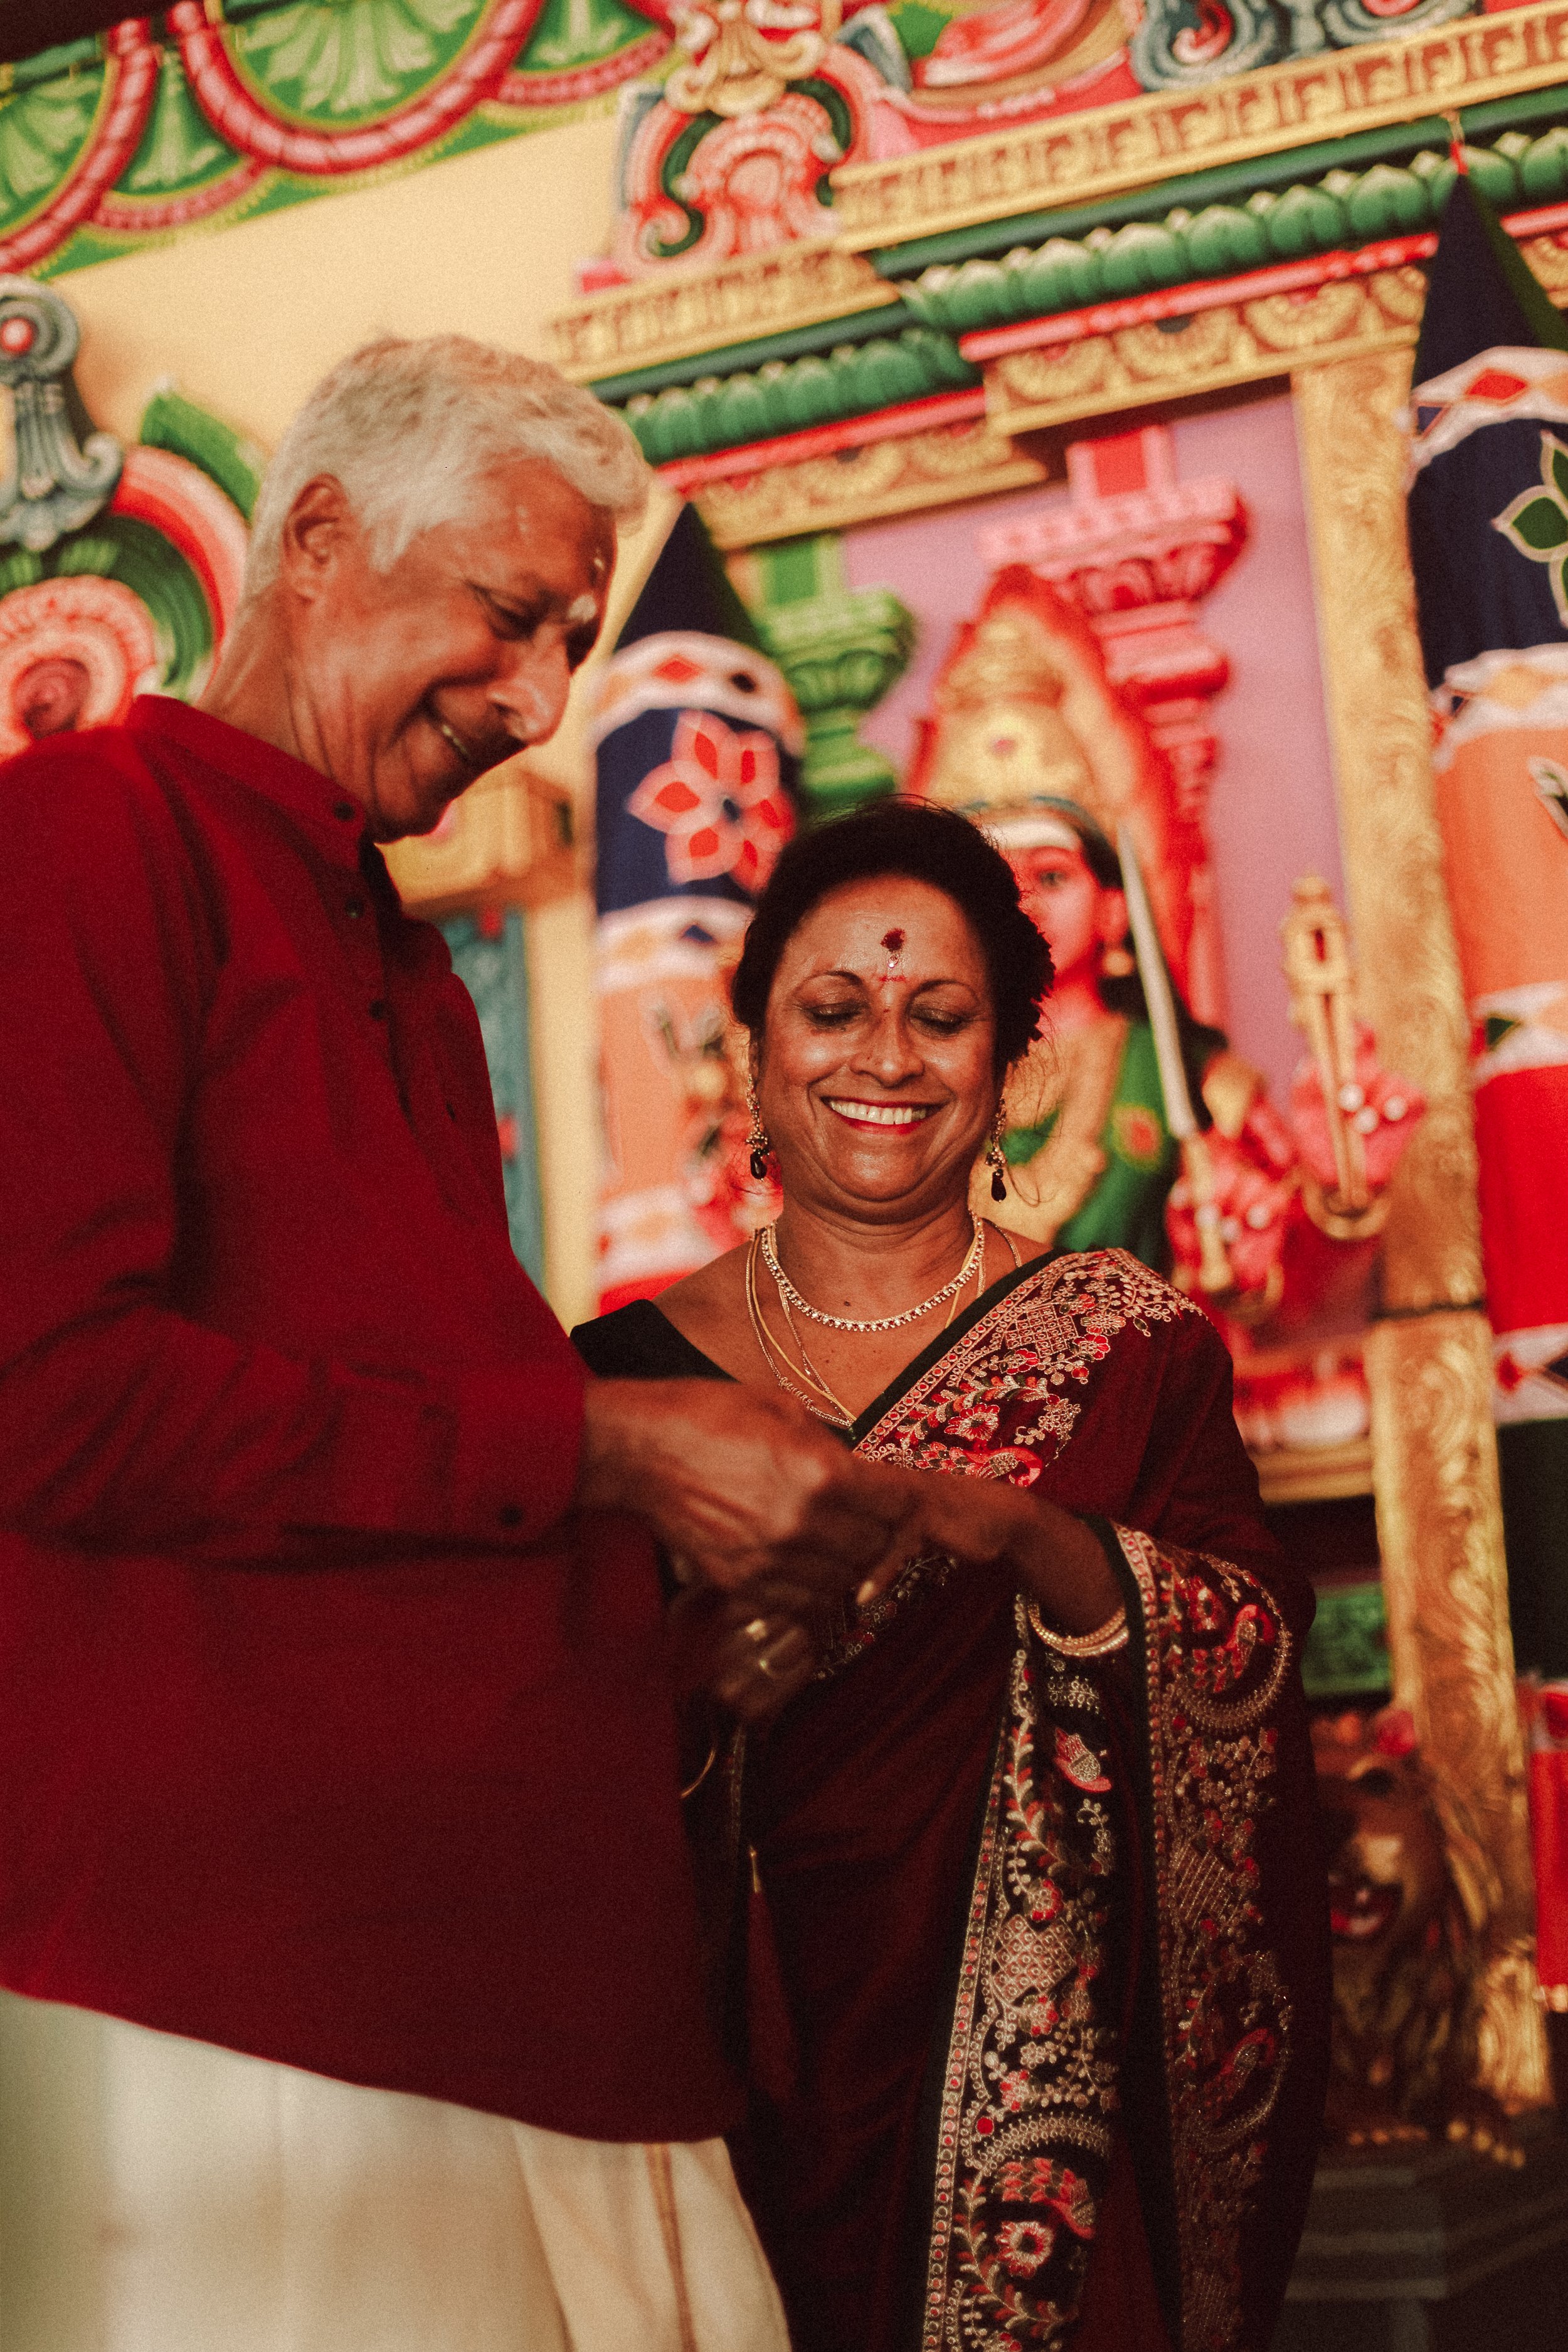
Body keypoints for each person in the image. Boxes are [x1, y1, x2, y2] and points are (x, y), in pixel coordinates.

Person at [0, 336, 929, 2352]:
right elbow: (47, 1397)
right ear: (318, 538)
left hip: (519, 1967)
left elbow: (389, 1437)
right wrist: (612, 1456)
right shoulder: (81, 837)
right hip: (258, 1996)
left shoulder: (398, 957)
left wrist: (683, 1592)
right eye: (510, 616)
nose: (537, 702)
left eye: (571, 642)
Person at [576, 798, 1332, 2352]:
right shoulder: (617, 1386)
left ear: (1006, 1070)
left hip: (1041, 2103)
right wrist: (706, 1696)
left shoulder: (1126, 1346)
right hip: (715, 2072)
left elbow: (1248, 1653)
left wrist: (1029, 1541)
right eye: (832, 1009)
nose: (884, 1058)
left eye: (939, 1017)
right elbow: (523, 1732)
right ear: (753, 1053)